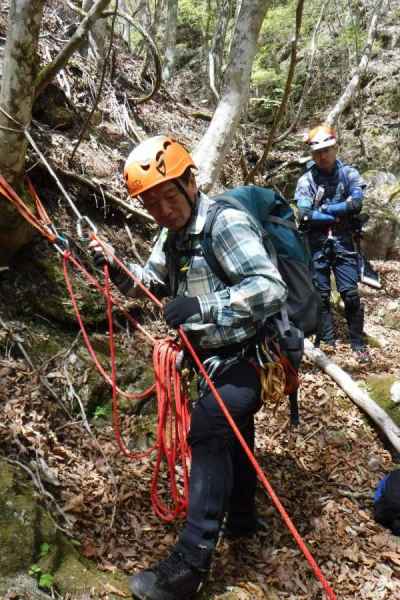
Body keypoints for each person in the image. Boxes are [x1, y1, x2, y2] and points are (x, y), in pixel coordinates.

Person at [91, 135, 288, 600]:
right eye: (151, 202)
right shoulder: (173, 235)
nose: (162, 209)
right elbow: (150, 282)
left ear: (188, 182)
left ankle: (190, 564)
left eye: (167, 196)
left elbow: (270, 287)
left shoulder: (225, 224)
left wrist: (205, 305)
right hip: (214, 360)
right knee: (232, 431)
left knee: (209, 429)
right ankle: (241, 516)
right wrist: (116, 268)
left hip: (250, 358)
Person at [294, 124, 369, 362]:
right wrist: (336, 212)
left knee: (350, 294)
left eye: (327, 150)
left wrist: (326, 209)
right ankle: (327, 340)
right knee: (322, 294)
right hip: (317, 243)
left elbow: (356, 203)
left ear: (335, 148)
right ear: (312, 155)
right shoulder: (307, 180)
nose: (323, 156)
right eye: (318, 152)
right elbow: (304, 214)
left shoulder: (349, 174)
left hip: (344, 241)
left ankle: (358, 342)